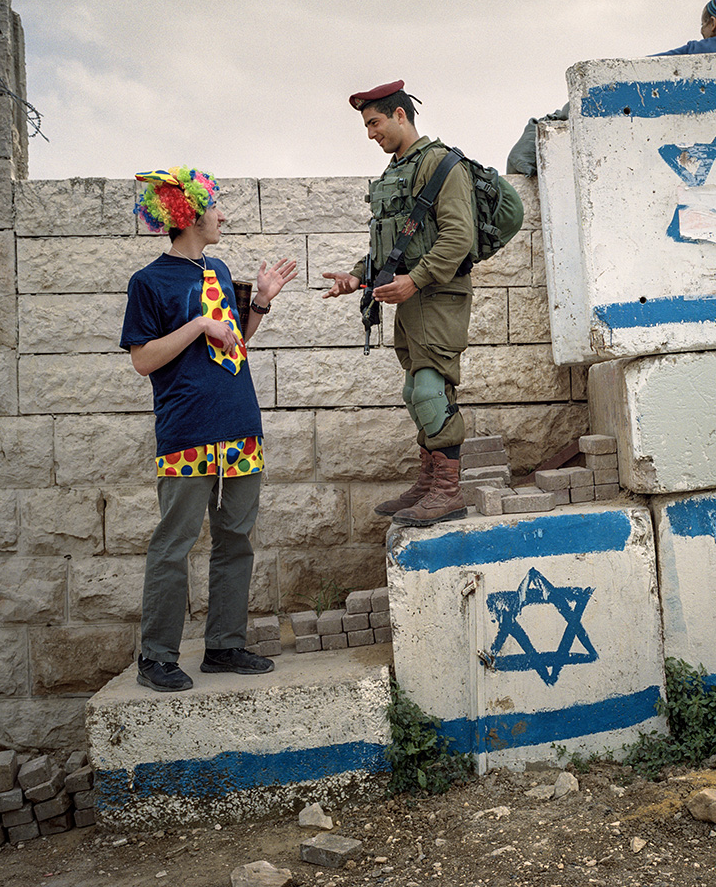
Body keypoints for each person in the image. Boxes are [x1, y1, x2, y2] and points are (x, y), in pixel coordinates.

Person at [120, 166, 298, 692]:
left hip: (239, 424)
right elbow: (143, 360)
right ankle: (156, 658)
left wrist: (261, 301)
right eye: (216, 207)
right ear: (191, 214)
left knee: (236, 538)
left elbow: (233, 342)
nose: (223, 215)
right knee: (173, 544)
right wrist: (197, 325)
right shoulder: (148, 282)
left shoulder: (218, 269)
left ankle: (224, 646)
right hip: (187, 430)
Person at [321, 81, 476, 528]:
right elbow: (391, 243)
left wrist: (416, 281)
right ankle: (430, 483)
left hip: (438, 295)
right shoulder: (398, 170)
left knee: (430, 390)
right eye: (367, 125)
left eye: (375, 122)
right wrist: (357, 277)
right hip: (410, 298)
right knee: (415, 392)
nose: (371, 133)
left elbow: (457, 237)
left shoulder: (441, 164)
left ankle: (448, 491)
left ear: (401, 115)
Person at [506, 0, 716, 175]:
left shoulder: (694, 50)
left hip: (687, 138)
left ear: (712, 23)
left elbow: (641, 69)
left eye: (703, 24)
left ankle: (523, 168)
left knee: (558, 116)